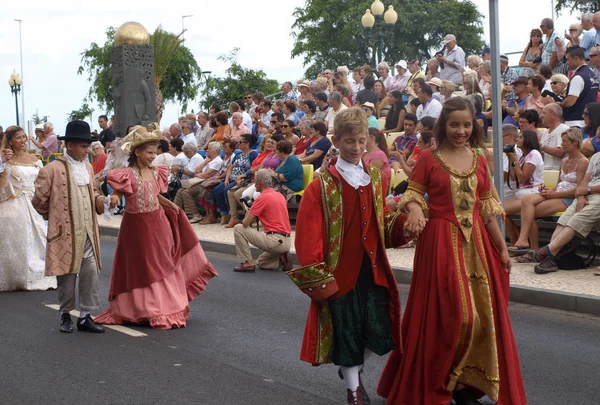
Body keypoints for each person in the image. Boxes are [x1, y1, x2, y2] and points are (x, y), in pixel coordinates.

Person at [377, 97, 526, 405]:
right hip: (441, 243)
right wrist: (417, 211)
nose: (461, 131)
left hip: (478, 246)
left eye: (467, 124)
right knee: (456, 317)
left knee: (484, 318)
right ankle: (442, 381)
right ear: (443, 125)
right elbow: (413, 193)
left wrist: (502, 248)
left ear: (474, 127)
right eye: (455, 124)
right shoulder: (430, 159)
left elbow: (486, 209)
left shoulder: (479, 159)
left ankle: (464, 382)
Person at [292, 107, 410, 404]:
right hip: (339, 272)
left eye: (361, 141)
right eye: (349, 142)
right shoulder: (321, 185)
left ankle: (351, 370)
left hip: (372, 268)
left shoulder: (374, 177)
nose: (356, 147)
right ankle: (354, 388)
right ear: (335, 140)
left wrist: (406, 224)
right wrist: (319, 276)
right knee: (346, 329)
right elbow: (309, 234)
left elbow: (380, 219)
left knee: (378, 326)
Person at [94, 127, 217, 329]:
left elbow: (154, 195)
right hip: (136, 227)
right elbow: (119, 193)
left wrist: (172, 206)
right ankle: (139, 307)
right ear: (137, 152)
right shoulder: (127, 174)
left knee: (163, 263)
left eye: (154, 152)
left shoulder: (156, 172)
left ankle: (163, 306)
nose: (153, 156)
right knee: (140, 266)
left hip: (157, 223)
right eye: (149, 152)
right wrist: (114, 198)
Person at [32, 121, 114, 334]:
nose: (87, 151)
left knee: (90, 271)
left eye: (88, 146)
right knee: (67, 273)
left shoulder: (87, 168)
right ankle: (65, 314)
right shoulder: (51, 169)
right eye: (83, 146)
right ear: (69, 145)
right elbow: (39, 200)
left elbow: (93, 193)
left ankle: (85, 316)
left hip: (88, 229)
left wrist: (103, 202)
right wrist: (55, 216)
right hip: (66, 231)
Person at [509, 128, 588, 256]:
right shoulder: (564, 161)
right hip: (557, 194)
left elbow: (579, 190)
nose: (561, 144)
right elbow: (558, 184)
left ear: (575, 143)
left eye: (564, 141)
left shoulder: (583, 162)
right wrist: (548, 190)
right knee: (527, 201)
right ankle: (525, 242)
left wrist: (554, 194)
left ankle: (531, 246)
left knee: (529, 211)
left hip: (569, 198)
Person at [533, 136, 600, 274]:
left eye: (599, 137)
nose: (596, 140)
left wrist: (585, 190)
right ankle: (551, 256)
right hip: (586, 194)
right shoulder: (595, 157)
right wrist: (581, 195)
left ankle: (548, 251)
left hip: (596, 195)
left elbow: (586, 186)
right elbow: (586, 180)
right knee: (563, 220)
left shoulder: (585, 159)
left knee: (575, 220)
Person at [0, 126, 56, 291]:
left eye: (24, 137)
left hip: (35, 201)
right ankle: (19, 274)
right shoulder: (5, 159)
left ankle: (49, 271)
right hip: (15, 201)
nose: (23, 141)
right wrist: (2, 162)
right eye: (19, 138)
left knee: (43, 236)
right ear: (10, 141)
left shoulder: (35, 159)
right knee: (20, 236)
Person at [233, 169, 294, 273]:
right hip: (286, 241)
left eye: (254, 181)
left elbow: (245, 223)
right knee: (260, 263)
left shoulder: (262, 198)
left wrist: (248, 213)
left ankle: (247, 263)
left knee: (238, 228)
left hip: (274, 240)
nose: (254, 183)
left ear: (259, 182)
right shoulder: (279, 195)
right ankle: (281, 258)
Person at [503, 130, 545, 243]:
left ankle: (524, 243)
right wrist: (510, 159)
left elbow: (523, 178)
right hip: (521, 193)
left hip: (532, 192)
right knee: (497, 209)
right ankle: (515, 239)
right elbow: (513, 177)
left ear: (528, 140)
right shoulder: (523, 157)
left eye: (520, 137)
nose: (517, 140)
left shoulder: (534, 154)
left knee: (500, 210)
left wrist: (516, 160)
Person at [174, 142, 222, 223]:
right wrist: (205, 161)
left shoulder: (217, 161)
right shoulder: (209, 160)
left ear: (215, 151)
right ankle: (176, 212)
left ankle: (196, 214)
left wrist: (199, 174)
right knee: (180, 190)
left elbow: (207, 175)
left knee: (186, 192)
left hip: (207, 183)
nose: (207, 150)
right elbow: (197, 170)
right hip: (201, 181)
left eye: (209, 149)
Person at [215, 134, 258, 227]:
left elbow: (253, 169)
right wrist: (226, 178)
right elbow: (230, 168)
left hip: (243, 179)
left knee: (227, 191)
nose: (238, 144)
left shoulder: (253, 154)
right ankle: (225, 213)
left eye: (240, 142)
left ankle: (234, 215)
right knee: (217, 190)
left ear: (247, 144)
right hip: (231, 178)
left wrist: (242, 177)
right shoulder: (238, 154)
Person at [197, 140, 237, 225]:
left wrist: (218, 177)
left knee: (214, 190)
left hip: (228, 178)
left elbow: (228, 171)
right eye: (223, 147)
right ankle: (208, 215)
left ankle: (220, 214)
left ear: (232, 149)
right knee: (204, 189)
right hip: (220, 178)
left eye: (225, 147)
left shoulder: (233, 157)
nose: (223, 148)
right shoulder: (224, 158)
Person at [560, 46, 600, 128]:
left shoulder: (578, 77)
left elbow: (570, 101)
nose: (567, 62)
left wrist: (560, 103)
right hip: (588, 121)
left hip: (575, 122)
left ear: (576, 58)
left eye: (568, 59)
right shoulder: (592, 74)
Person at [540, 103, 570, 169]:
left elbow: (560, 152)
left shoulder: (564, 129)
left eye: (544, 113)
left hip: (557, 170)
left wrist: (541, 146)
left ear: (553, 115)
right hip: (545, 170)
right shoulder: (545, 133)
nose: (541, 116)